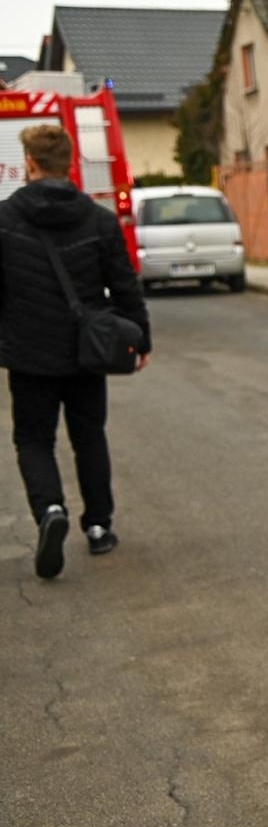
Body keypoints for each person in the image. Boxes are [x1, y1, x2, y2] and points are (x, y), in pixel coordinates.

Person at [0, 124, 150, 579]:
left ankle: (50, 510)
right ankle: (100, 526)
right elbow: (125, 285)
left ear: (29, 164)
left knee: (33, 438)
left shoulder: (4, 220)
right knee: (89, 436)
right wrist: (140, 338)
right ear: (70, 164)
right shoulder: (99, 220)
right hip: (90, 351)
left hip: (29, 354)